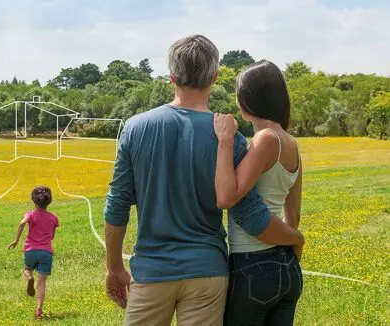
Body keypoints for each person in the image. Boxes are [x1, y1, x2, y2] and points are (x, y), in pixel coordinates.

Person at [104, 34, 305, 326]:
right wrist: (294, 238)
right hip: (208, 272)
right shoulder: (230, 138)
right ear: (214, 77)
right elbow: (249, 215)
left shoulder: (135, 128)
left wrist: (113, 267)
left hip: (152, 271)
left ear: (171, 77)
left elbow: (117, 205)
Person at [214, 60, 303, 325]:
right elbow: (294, 215)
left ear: (246, 101)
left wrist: (225, 141)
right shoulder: (292, 143)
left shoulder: (266, 139)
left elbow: (227, 197)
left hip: (252, 266)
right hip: (287, 268)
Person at [8, 186, 59, 320]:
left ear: (34, 201)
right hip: (46, 253)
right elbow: (52, 237)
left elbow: (22, 223)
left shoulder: (30, 214)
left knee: (27, 270)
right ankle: (38, 310)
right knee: (42, 283)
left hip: (31, 251)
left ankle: (29, 278)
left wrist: (16, 240)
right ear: (49, 201)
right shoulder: (54, 217)